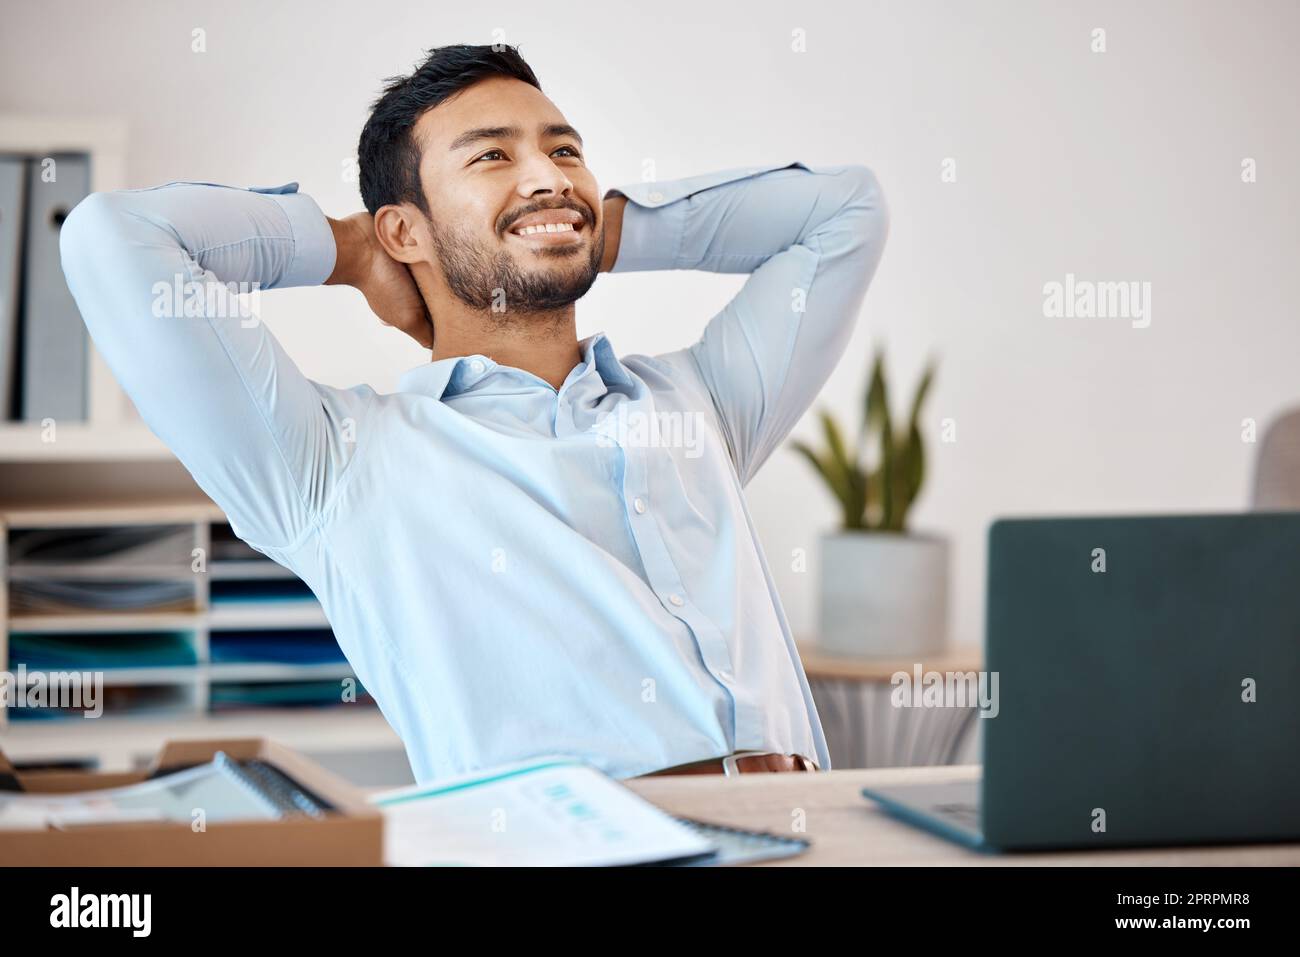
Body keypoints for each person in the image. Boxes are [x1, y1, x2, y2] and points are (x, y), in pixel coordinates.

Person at [59, 43, 889, 782]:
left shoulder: (697, 406)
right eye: (492, 156)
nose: (550, 173)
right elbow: (113, 237)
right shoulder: (337, 466)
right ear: (404, 230)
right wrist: (352, 251)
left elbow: (846, 210)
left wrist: (577, 226)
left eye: (565, 152)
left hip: (812, 835)